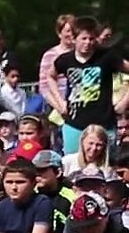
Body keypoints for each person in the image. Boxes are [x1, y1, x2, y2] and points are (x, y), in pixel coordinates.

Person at [44, 16, 129, 156]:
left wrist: (124, 102)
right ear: (74, 39)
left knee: (105, 166)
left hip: (104, 122)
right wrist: (59, 103)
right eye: (84, 39)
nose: (88, 43)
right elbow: (50, 76)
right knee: (72, 164)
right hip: (75, 122)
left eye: (91, 39)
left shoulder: (107, 57)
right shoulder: (65, 60)